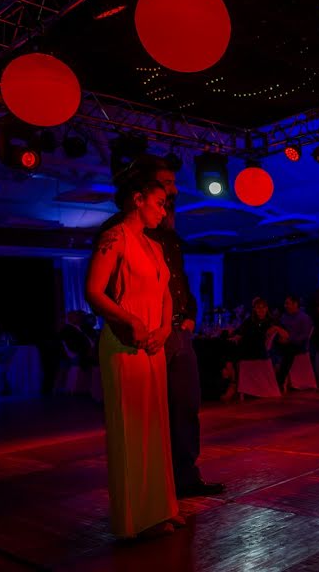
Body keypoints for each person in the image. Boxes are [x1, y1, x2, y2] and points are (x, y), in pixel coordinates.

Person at [99, 155, 224, 499]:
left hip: (174, 331)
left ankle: (182, 478)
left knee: (185, 405)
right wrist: (131, 322)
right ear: (142, 192)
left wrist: (188, 314)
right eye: (165, 185)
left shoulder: (164, 236)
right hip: (142, 334)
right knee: (148, 415)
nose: (172, 192)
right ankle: (152, 488)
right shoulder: (120, 233)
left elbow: (176, 282)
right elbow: (101, 290)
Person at [85, 172, 182, 539]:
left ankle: (160, 508)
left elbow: (166, 294)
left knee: (156, 428)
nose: (164, 210)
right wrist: (132, 320)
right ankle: (132, 520)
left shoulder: (154, 246)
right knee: (130, 432)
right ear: (137, 199)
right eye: (159, 202)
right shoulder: (115, 237)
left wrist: (164, 329)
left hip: (152, 344)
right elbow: (94, 291)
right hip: (124, 344)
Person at [273, 295, 313, 390]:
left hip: (298, 345)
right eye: (285, 303)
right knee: (270, 347)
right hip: (285, 343)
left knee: (289, 352)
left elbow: (304, 336)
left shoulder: (304, 317)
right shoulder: (284, 316)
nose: (285, 305)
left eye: (288, 303)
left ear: (295, 304)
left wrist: (289, 339)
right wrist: (280, 338)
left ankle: (279, 380)